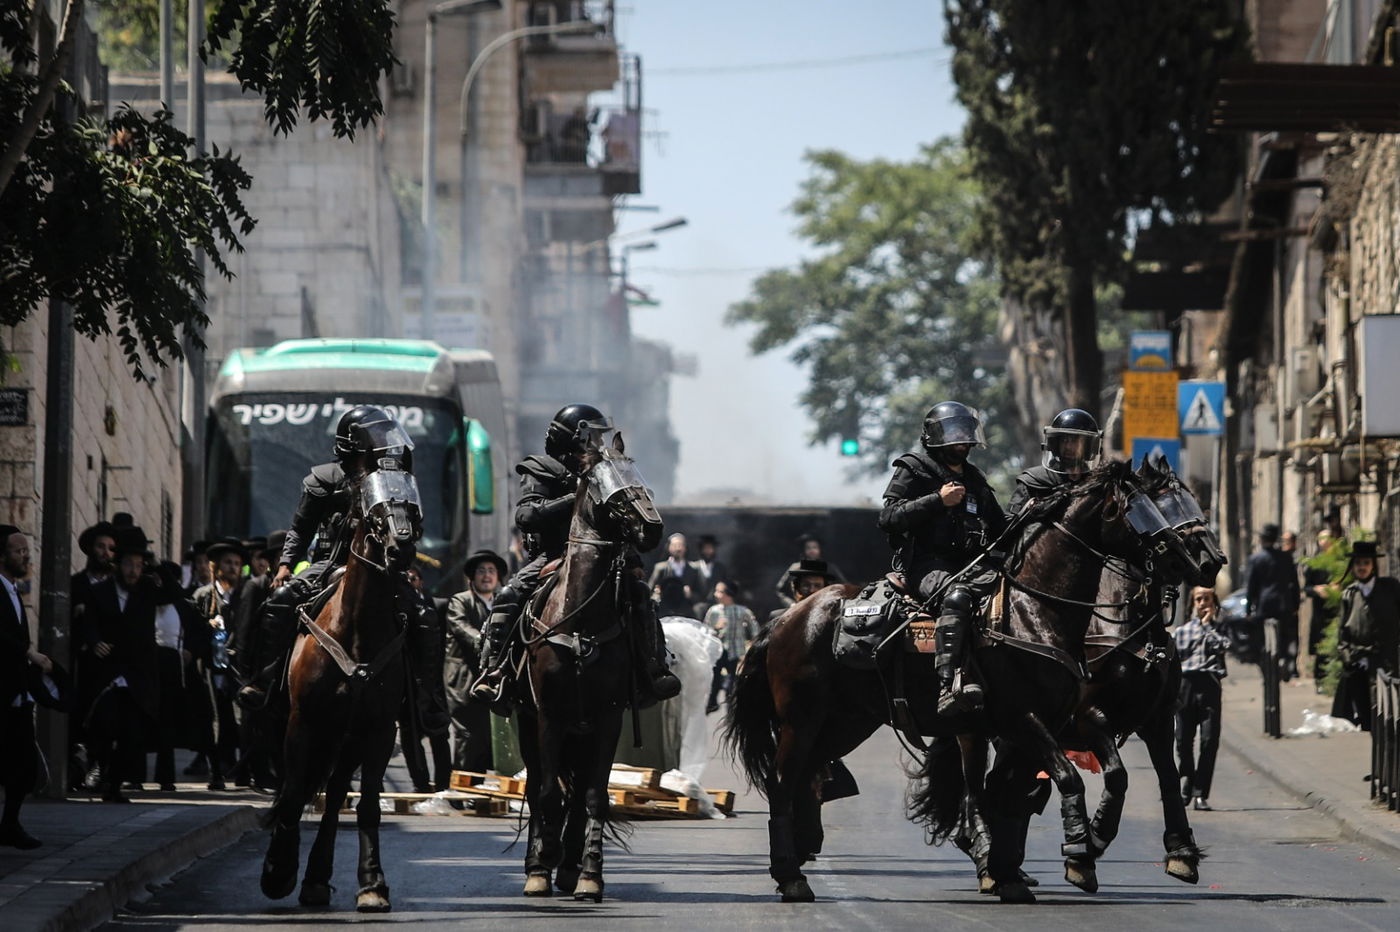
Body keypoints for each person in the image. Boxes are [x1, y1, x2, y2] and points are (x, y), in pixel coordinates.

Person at [236, 405, 450, 741]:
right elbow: (299, 530)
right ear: (355, 444)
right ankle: (263, 680)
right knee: (279, 600)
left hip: (382, 567)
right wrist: (285, 566)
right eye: (375, 438)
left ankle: (428, 698)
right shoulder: (322, 480)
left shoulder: (394, 483)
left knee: (425, 613)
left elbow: (412, 527)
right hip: (329, 563)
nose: (384, 445)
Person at [471, 403, 681, 710]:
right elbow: (527, 515)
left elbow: (623, 517)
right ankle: (496, 673)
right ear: (573, 439)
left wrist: (633, 558)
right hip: (553, 554)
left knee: (640, 595)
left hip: (604, 555)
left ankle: (651, 670)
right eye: (592, 437)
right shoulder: (540, 469)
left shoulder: (607, 472)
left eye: (599, 437)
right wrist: (579, 494)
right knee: (508, 595)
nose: (597, 444)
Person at [878, 401, 1007, 716]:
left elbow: (1003, 528)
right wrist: (937, 500)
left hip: (973, 566)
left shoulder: (975, 479)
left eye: (965, 434)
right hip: (926, 566)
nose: (962, 441)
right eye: (954, 434)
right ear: (936, 436)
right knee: (957, 596)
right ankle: (948, 684)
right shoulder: (914, 469)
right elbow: (889, 517)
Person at [81, 526, 172, 802]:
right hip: (109, 673)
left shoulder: (146, 589)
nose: (133, 571)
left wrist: (157, 565)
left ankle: (114, 785)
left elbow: (174, 592)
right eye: (128, 565)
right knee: (105, 727)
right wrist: (95, 641)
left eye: (138, 565)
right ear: (118, 565)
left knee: (132, 734)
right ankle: (100, 770)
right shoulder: (100, 591)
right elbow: (89, 622)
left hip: (138, 675)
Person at [1, 525, 48, 848]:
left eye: (26, 550)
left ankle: (10, 823)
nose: (25, 555)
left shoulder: (14, 590)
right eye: (18, 551)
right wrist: (27, 652)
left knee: (24, 766)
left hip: (17, 692)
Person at [190, 538, 247, 790]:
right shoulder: (203, 595)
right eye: (228, 563)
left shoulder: (246, 593)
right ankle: (216, 773)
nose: (233, 567)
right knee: (214, 721)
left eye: (237, 563)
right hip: (211, 668)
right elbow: (191, 631)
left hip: (238, 667)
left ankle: (243, 772)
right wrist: (207, 626)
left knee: (241, 720)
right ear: (217, 566)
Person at [445, 550, 504, 772]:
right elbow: (462, 629)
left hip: (493, 679)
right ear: (472, 576)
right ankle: (460, 791)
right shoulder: (460, 601)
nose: (487, 576)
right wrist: (485, 641)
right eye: (481, 571)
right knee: (467, 735)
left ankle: (477, 790)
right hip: (465, 679)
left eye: (491, 571)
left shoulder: (502, 602)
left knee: (489, 737)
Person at [1332, 541, 1400, 729]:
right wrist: (1347, 657)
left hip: (1386, 662)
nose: (1362, 568)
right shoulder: (1350, 594)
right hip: (1359, 663)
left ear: (1373, 565)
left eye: (1366, 563)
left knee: (1388, 715)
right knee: (1366, 718)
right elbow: (1343, 632)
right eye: (1358, 564)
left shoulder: (1390, 589)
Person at [1175, 586, 1230, 811]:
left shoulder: (1219, 630)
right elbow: (1176, 656)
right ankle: (1187, 777)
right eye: (1199, 599)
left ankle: (1200, 793)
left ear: (1214, 603)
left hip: (1209, 684)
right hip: (1186, 686)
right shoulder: (1182, 631)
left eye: (1207, 599)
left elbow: (1223, 646)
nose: (1203, 603)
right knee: (1182, 741)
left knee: (1209, 741)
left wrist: (1208, 626)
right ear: (1192, 604)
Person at [401, 564, 451, 792]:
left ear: (420, 581)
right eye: (406, 580)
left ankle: (443, 786)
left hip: (433, 684)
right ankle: (420, 785)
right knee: (411, 738)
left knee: (440, 736)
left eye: (413, 579)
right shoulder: (398, 607)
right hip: (408, 687)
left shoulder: (438, 606)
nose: (410, 583)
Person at [1006, 408, 1102, 516]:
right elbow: (1009, 527)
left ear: (1088, 447)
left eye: (1075, 441)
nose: (1068, 447)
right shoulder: (1033, 483)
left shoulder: (1098, 486)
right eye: (1064, 440)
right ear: (1056, 444)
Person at [1244, 523, 1302, 680]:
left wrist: (1249, 609)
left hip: (1265, 605)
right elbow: (1294, 584)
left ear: (1262, 539)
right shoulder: (1286, 557)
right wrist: (1295, 605)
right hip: (1284, 604)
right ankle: (1283, 660)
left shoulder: (1256, 559)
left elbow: (1251, 587)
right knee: (1285, 637)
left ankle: (1268, 665)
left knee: (1262, 640)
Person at [704, 581, 758, 714]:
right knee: (715, 677)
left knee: (732, 679)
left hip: (736, 650)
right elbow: (706, 629)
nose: (716, 594)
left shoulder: (742, 611)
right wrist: (715, 628)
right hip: (718, 650)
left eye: (720, 591)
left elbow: (753, 625)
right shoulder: (714, 611)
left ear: (729, 594)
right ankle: (712, 701)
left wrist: (754, 640)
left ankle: (731, 705)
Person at [1301, 529, 1340, 681]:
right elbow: (1307, 588)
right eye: (1322, 539)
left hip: (1336, 610)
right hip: (1319, 610)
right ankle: (1320, 679)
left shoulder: (1339, 561)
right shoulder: (1315, 563)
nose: (1325, 542)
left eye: (1328, 538)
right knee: (1320, 644)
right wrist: (1318, 590)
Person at [774, 535, 846, 608]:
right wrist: (792, 605)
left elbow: (844, 586)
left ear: (820, 549)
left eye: (815, 547)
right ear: (804, 550)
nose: (812, 550)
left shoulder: (829, 567)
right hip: (800, 606)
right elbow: (780, 590)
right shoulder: (795, 567)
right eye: (808, 548)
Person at [649, 533, 702, 619]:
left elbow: (700, 594)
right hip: (664, 612)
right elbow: (650, 591)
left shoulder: (693, 569)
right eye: (674, 545)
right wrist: (657, 594)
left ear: (685, 548)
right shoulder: (661, 568)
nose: (677, 548)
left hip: (686, 612)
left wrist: (690, 594)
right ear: (669, 547)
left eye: (680, 545)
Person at [767, 559, 833, 628]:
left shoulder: (833, 620)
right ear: (798, 587)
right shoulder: (778, 618)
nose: (811, 590)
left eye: (817, 585)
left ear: (825, 589)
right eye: (806, 585)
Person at [690, 534, 728, 621]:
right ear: (701, 550)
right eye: (705, 548)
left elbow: (725, 586)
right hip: (697, 606)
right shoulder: (693, 567)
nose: (708, 551)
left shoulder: (720, 568)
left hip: (716, 605)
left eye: (710, 548)